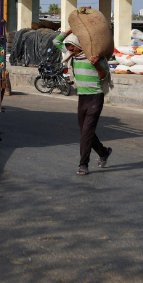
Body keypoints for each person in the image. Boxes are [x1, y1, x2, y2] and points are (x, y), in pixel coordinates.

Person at [54, 30, 113, 175]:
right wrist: (70, 29)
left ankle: (83, 165)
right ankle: (103, 152)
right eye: (68, 49)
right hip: (82, 98)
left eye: (72, 48)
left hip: (95, 97)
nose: (70, 52)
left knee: (86, 132)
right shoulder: (71, 55)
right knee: (86, 131)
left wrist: (97, 66)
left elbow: (104, 76)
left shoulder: (94, 58)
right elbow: (56, 41)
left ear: (78, 45)